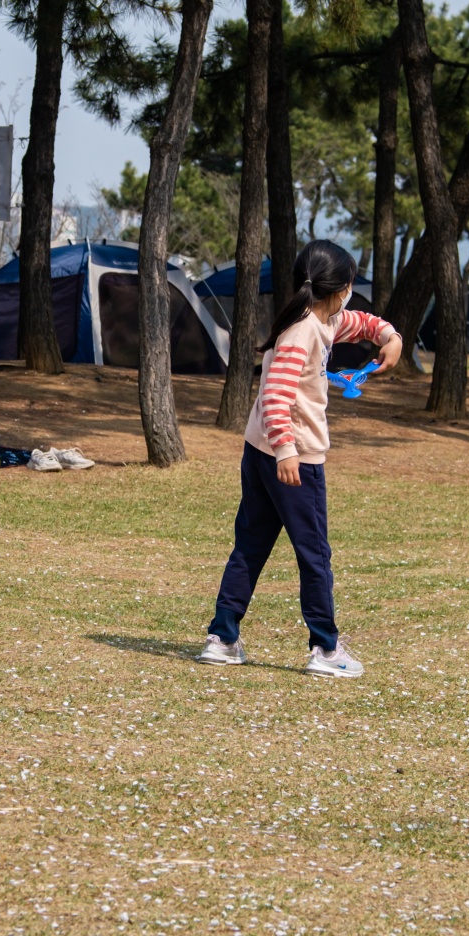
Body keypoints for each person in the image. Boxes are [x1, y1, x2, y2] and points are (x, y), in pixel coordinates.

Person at [196, 240, 401, 679]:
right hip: (292, 459)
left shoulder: (321, 319)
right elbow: (275, 396)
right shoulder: (302, 331)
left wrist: (390, 337)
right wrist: (287, 451)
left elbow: (362, 323)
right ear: (342, 288)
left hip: (261, 451)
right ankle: (325, 648)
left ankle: (223, 638)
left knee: (250, 546)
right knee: (314, 554)